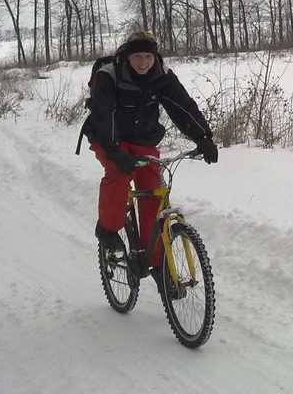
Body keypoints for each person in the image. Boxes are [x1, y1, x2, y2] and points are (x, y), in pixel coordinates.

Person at [84, 30, 217, 280]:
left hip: (143, 139)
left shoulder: (161, 75)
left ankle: (156, 262)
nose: (144, 63)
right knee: (119, 173)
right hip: (108, 138)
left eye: (148, 56)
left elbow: (182, 106)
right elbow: (103, 112)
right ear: (128, 56)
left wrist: (203, 137)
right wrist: (113, 149)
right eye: (138, 57)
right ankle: (107, 230)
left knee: (153, 189)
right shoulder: (109, 75)